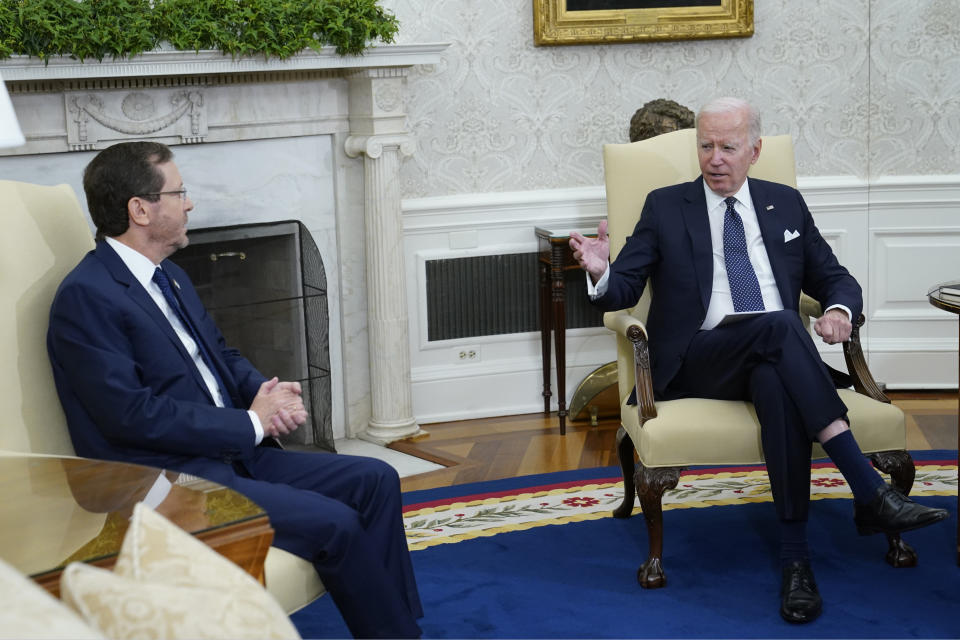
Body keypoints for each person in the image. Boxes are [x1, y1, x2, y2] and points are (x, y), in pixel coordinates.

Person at [569, 97, 948, 624]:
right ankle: (867, 489)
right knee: (778, 324)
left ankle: (796, 563)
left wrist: (839, 310)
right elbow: (624, 287)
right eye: (706, 145)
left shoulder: (784, 203)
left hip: (775, 356)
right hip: (700, 358)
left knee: (776, 375)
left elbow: (834, 278)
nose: (715, 158)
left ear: (755, 150)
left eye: (728, 146)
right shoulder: (665, 205)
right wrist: (600, 270)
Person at [47, 141, 423, 639]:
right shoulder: (86, 296)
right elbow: (130, 416)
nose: (189, 203)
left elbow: (219, 354)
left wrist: (268, 394)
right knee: (335, 522)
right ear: (140, 209)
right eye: (178, 192)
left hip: (228, 452)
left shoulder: (170, 276)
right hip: (169, 480)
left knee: (375, 478)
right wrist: (252, 421)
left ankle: (394, 628)